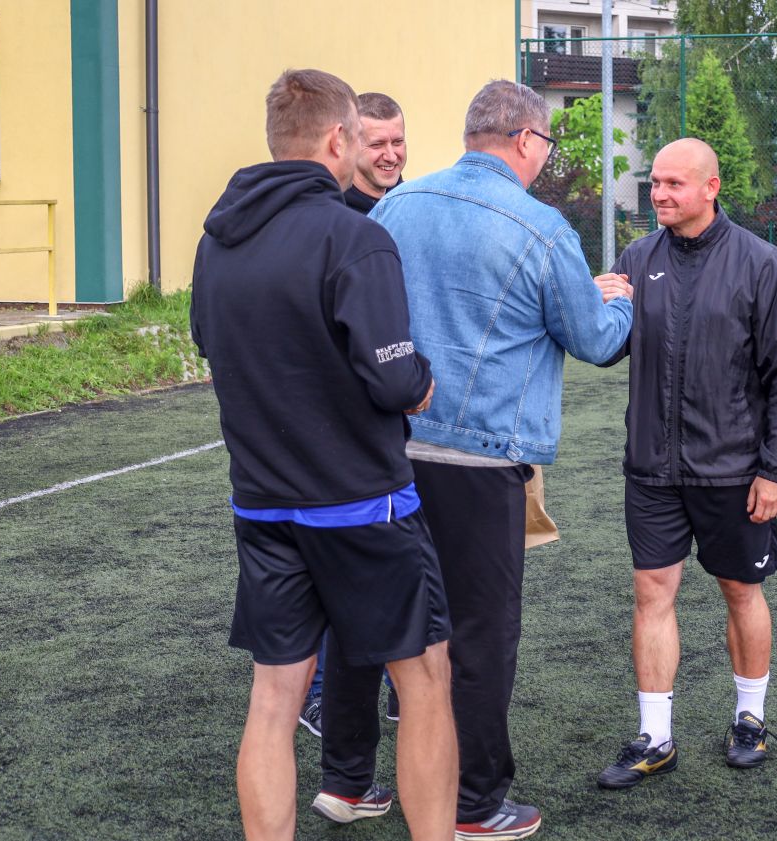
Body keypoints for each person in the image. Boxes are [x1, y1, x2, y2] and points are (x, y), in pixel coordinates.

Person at [189, 68, 457, 841]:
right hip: (363, 506)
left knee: (273, 699)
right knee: (426, 679)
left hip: (263, 506)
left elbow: (209, 343)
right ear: (338, 139)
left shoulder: (216, 242)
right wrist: (421, 383)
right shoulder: (353, 236)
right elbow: (396, 378)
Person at [370, 79, 632, 840]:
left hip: (390, 452)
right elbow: (594, 340)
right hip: (482, 462)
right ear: (525, 140)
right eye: (545, 144)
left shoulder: (396, 205)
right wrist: (617, 300)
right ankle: (475, 801)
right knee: (481, 638)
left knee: (403, 630)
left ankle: (363, 780)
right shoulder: (541, 226)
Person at [593, 138, 777, 790]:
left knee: (741, 591)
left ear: (710, 188)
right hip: (652, 470)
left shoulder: (761, 262)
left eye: (673, 184)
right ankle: (655, 736)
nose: (658, 194)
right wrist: (594, 303)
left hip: (733, 471)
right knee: (651, 594)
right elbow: (605, 349)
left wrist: (775, 469)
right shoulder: (637, 258)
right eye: (655, 183)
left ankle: (750, 718)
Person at [300, 89, 407, 741]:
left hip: (400, 424)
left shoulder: (413, 208)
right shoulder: (333, 218)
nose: (390, 154)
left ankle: (397, 685)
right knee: (332, 571)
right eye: (377, 142)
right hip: (340, 429)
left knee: (404, 564)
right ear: (347, 142)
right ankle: (320, 694)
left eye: (398, 141)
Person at [345, 92, 407, 213]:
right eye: (377, 145)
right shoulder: (331, 215)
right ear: (350, 145)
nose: (391, 157)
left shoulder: (416, 204)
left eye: (397, 142)